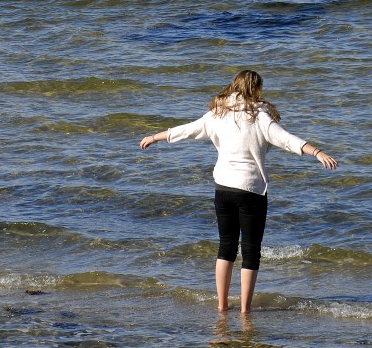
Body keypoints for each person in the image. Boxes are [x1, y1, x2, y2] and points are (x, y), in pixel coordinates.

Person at [139, 70, 337, 313]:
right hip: (251, 190)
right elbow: (288, 140)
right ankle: (245, 309)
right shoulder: (261, 118)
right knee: (251, 251)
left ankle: (222, 306)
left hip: (223, 188)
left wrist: (154, 137)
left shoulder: (217, 114)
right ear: (255, 90)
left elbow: (186, 130)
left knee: (226, 247)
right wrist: (317, 153)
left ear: (234, 87)